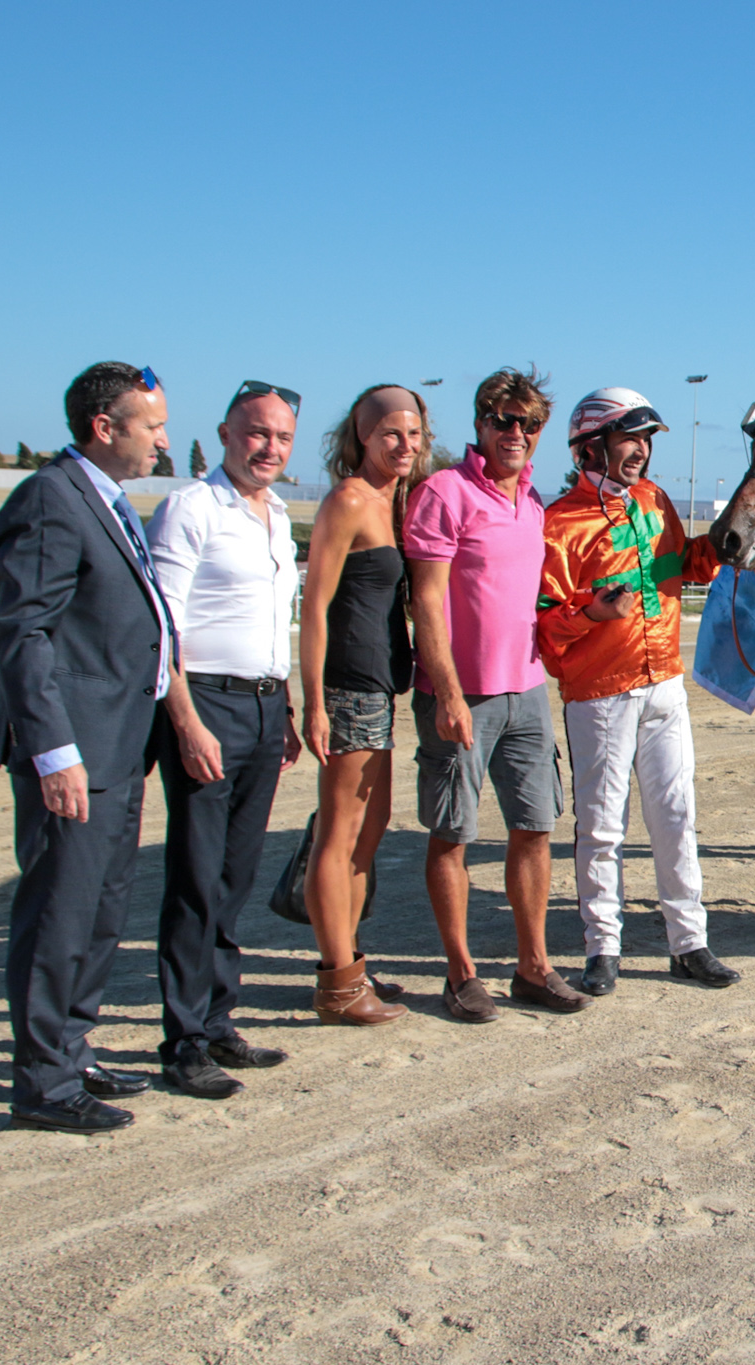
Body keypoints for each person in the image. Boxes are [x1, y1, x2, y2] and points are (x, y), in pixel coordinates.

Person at [0, 362, 174, 1132]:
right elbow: (24, 631)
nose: (163, 440)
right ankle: (43, 1084)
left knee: (100, 910)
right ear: (106, 426)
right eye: (152, 425)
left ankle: (72, 1045)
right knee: (59, 914)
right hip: (75, 750)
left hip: (119, 744)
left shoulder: (110, 502)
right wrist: (53, 750)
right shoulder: (50, 498)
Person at [537, 388, 738, 995]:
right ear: (590, 445)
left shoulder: (655, 500)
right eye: (632, 438)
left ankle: (690, 943)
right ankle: (603, 949)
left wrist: (728, 542)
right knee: (602, 826)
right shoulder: (559, 524)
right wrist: (592, 613)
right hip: (599, 696)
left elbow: (686, 565)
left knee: (677, 816)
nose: (643, 451)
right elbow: (545, 624)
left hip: (665, 686)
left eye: (646, 440)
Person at [406, 368, 588, 1020]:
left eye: (528, 423)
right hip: (461, 696)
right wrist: (448, 693)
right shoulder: (443, 493)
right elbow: (426, 602)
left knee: (536, 827)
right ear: (480, 423)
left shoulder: (533, 504)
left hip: (527, 692)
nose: (516, 433)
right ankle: (460, 974)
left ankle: (533, 967)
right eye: (503, 420)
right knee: (453, 832)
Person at [145, 380, 303, 1095]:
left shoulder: (276, 516)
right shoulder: (189, 508)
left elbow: (273, 626)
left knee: (235, 877)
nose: (269, 447)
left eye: (282, 437)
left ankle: (216, 1021)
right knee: (196, 878)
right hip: (208, 705)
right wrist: (185, 720)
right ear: (226, 432)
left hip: (267, 709)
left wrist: (289, 708)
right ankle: (182, 1041)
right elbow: (162, 627)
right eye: (256, 433)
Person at [297, 384, 428, 1026]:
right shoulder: (349, 499)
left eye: (413, 434)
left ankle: (350, 961)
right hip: (348, 686)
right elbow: (314, 608)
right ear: (362, 438)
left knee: (366, 835)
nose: (404, 445)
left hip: (379, 685)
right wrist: (313, 703)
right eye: (390, 434)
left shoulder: (393, 498)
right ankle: (338, 983)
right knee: (340, 834)